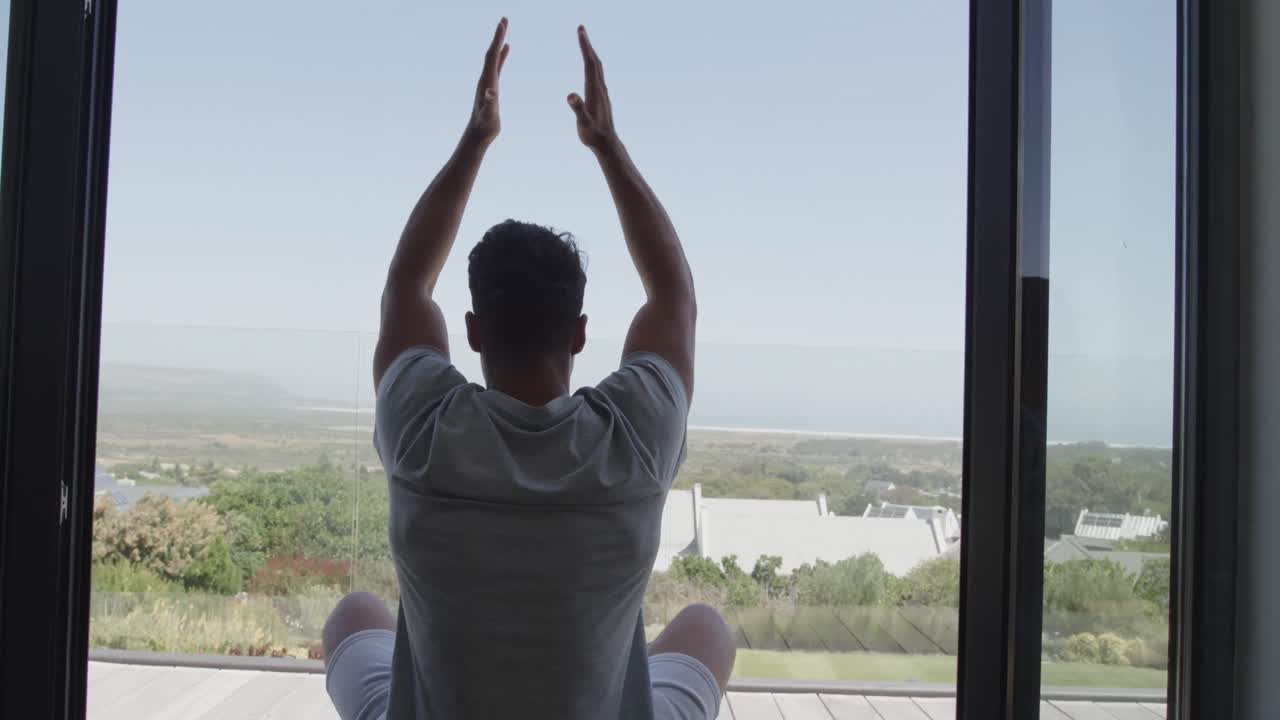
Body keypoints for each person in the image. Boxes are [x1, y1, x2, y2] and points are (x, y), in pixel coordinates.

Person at [321, 18, 736, 720]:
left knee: (354, 615)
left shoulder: (423, 429)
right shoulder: (632, 439)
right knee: (706, 629)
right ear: (579, 333)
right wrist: (607, 146)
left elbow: (407, 289)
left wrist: (475, 139)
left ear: (472, 331)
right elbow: (675, 298)